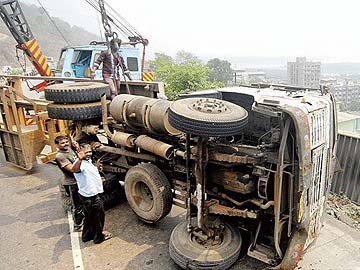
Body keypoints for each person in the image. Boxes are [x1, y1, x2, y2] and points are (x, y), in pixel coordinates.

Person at [73, 143, 112, 244]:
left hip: (87, 195)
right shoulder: (79, 163)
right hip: (91, 197)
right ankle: (98, 238)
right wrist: (80, 159)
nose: (89, 154)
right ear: (79, 153)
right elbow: (75, 169)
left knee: (90, 217)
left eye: (90, 151)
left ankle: (86, 236)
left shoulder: (88, 161)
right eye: (86, 152)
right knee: (99, 217)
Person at [54, 135, 84, 231]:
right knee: (77, 205)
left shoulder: (69, 149)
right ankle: (77, 225)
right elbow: (72, 169)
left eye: (66, 142)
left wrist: (78, 148)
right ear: (57, 145)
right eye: (62, 143)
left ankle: (83, 220)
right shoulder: (60, 156)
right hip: (72, 183)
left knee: (84, 202)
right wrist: (80, 159)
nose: (65, 144)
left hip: (79, 180)